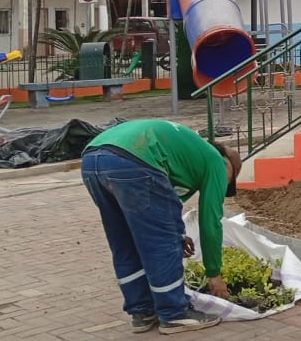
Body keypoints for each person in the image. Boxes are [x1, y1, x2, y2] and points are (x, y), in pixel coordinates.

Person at [81, 119, 242, 335]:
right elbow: (210, 222)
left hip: (93, 159)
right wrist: (214, 273)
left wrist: (178, 234)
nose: (225, 184)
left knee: (124, 240)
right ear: (229, 166)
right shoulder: (217, 163)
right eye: (230, 180)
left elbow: (164, 204)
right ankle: (175, 314)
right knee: (162, 245)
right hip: (134, 159)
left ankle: (142, 311)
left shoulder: (187, 153)